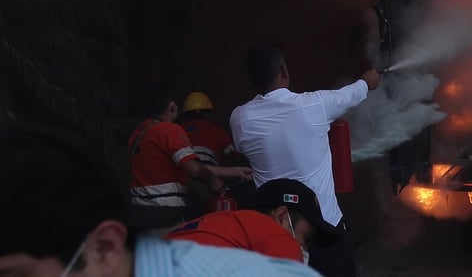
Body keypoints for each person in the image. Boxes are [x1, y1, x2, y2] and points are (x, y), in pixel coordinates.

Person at [0, 123, 321, 277]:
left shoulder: (151, 134)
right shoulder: (173, 133)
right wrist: (220, 176)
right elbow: (195, 169)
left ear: (103, 248)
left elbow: (194, 167)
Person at [230, 45, 380, 277]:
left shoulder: (240, 119)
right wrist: (366, 81)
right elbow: (349, 94)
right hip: (324, 232)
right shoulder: (314, 105)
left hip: (274, 236)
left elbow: (242, 146)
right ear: (283, 71)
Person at [129, 83, 252, 233]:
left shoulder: (138, 134)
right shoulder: (169, 130)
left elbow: (186, 166)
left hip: (139, 213)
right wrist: (213, 180)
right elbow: (194, 169)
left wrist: (233, 171)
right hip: (164, 214)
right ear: (173, 107)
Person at [167, 178, 339, 263]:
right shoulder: (274, 234)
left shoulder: (215, 224)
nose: (304, 249)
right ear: (281, 217)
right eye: (306, 239)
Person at [179, 91, 237, 166]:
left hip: (183, 171)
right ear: (204, 113)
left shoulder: (178, 130)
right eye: (210, 113)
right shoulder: (216, 130)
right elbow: (232, 154)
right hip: (210, 171)